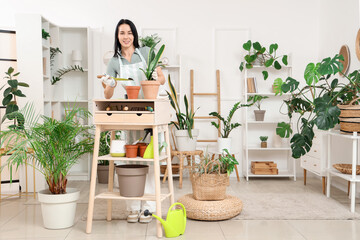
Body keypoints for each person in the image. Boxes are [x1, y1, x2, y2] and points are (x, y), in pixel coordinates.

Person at [100, 19, 165, 224]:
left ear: (134, 35)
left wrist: (156, 77)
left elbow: (161, 79)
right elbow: (108, 95)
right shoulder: (114, 61)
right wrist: (109, 83)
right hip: (130, 110)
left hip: (150, 109)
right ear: (117, 36)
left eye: (129, 32)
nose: (126, 36)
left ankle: (148, 208)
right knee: (131, 160)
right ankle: (132, 207)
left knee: (150, 158)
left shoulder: (145, 53)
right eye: (122, 33)